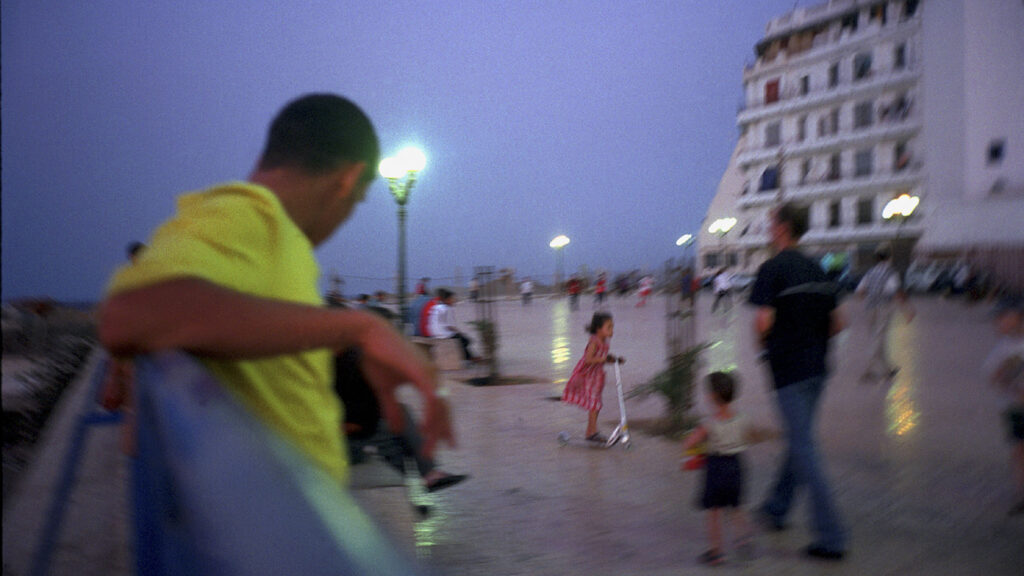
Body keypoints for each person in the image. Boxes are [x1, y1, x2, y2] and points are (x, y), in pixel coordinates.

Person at [98, 94, 454, 485]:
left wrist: (344, 346)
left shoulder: (282, 241)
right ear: (348, 179)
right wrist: (362, 328)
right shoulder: (248, 215)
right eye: (356, 201)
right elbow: (126, 316)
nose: (346, 217)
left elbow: (253, 325)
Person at [748, 202, 847, 560]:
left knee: (805, 448)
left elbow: (763, 323)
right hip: (818, 368)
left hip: (788, 371)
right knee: (798, 438)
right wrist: (813, 343)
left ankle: (832, 536)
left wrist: (765, 349)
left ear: (784, 227)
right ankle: (777, 507)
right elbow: (839, 323)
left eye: (771, 221)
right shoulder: (819, 268)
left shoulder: (772, 268)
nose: (767, 226)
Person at [681, 372, 760, 566]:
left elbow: (689, 443)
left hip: (716, 469)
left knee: (714, 513)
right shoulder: (744, 418)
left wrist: (695, 441)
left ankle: (717, 553)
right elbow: (752, 435)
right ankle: (745, 538)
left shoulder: (709, 424)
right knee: (736, 506)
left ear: (712, 396)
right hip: (736, 466)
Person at [983, 296, 1024, 516]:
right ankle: (1021, 495)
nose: (998, 323)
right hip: (1014, 409)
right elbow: (991, 376)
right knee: (1018, 451)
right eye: (997, 319)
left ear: (1018, 318)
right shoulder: (1003, 347)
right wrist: (1004, 378)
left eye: (1002, 318)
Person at [561, 312, 623, 442]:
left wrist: (614, 360)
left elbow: (603, 358)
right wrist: (604, 358)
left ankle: (590, 431)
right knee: (594, 404)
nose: (612, 330)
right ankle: (593, 433)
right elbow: (588, 359)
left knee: (596, 404)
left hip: (597, 376)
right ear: (599, 329)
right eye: (609, 327)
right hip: (587, 375)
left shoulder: (605, 342)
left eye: (612, 327)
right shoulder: (594, 341)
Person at [855, 245, 913, 382]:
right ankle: (868, 370)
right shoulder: (890, 272)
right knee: (879, 339)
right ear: (889, 257)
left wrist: (871, 297)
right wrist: (908, 310)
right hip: (883, 307)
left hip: (869, 308)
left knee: (877, 339)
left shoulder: (870, 272)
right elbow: (896, 291)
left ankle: (887, 370)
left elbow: (860, 292)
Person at [427, 288, 478, 363]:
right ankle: (468, 358)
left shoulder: (436, 307)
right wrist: (460, 332)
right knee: (465, 340)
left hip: (433, 333)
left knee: (461, 340)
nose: (454, 300)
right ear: (447, 300)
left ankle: (469, 357)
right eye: (452, 298)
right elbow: (450, 326)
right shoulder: (448, 309)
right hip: (443, 334)